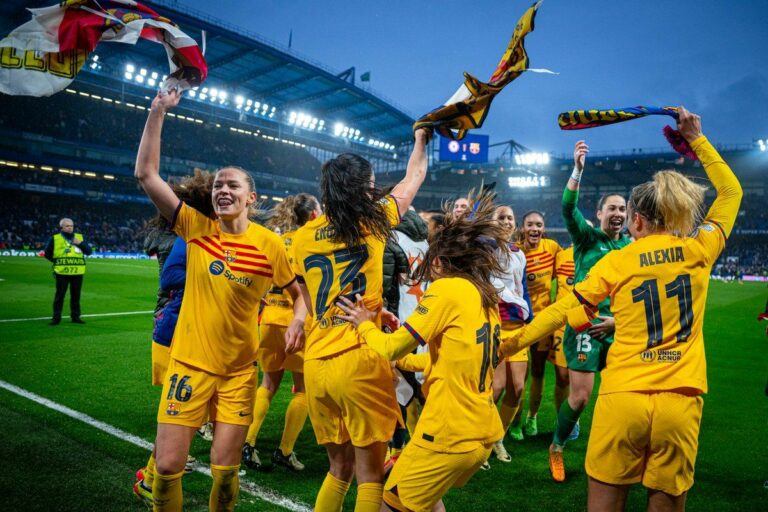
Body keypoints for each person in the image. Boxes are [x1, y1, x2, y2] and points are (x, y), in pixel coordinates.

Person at [500, 107, 742, 510]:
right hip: (680, 402)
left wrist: (511, 344)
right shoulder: (700, 249)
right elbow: (732, 192)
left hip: (624, 396)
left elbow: (562, 310)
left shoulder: (617, 261)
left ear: (639, 221)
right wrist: (697, 138)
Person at [134, 88, 307, 512]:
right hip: (189, 364)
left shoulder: (270, 245)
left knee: (225, 470)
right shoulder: (196, 229)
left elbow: (299, 294)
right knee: (170, 463)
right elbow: (147, 175)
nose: (221, 190)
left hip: (237, 373)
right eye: (217, 186)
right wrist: (157, 112)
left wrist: (299, 319)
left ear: (252, 198)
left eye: (232, 185)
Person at [336, 191, 507, 512]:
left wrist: (364, 324)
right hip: (483, 434)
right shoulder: (484, 296)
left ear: (439, 261)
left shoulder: (446, 288)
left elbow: (390, 347)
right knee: (427, 501)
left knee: (390, 504)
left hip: (447, 434)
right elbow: (443, 360)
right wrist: (402, 358)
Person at [290, 128, 431, 511]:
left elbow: (307, 297)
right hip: (359, 357)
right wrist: (420, 140)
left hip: (318, 362)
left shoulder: (301, 239)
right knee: (371, 475)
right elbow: (414, 176)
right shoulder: (374, 221)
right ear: (364, 188)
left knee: (338, 469)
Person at [547, 140, 631, 482]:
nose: (617, 214)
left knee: (622, 394)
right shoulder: (586, 238)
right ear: (599, 213)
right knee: (580, 398)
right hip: (586, 327)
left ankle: (615, 450)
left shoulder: (631, 247)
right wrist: (578, 170)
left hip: (620, 327)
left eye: (623, 209)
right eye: (611, 208)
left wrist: (618, 322)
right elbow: (568, 209)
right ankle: (556, 447)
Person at [134, 171, 216, 507]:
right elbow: (171, 276)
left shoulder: (204, 232)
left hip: (188, 330)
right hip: (174, 332)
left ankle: (152, 474)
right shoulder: (191, 234)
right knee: (178, 414)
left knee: (183, 414)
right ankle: (150, 477)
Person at [242, 193, 322, 472]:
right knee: (303, 390)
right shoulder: (311, 240)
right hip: (298, 323)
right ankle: (285, 451)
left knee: (268, 385)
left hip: (270, 319)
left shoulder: (276, 240)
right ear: (313, 214)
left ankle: (248, 442)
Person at [488, 204, 532, 465]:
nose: (506, 221)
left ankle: (498, 437)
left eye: (509, 218)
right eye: (500, 217)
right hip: (494, 326)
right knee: (496, 388)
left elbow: (522, 288)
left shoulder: (519, 254)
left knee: (517, 389)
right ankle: (482, 439)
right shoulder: (484, 249)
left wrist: (531, 318)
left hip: (517, 326)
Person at [518, 210, 561, 437]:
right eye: (530, 224)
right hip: (519, 322)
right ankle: (514, 420)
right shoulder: (514, 250)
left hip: (543, 323)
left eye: (539, 225)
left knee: (537, 371)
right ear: (522, 227)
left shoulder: (552, 248)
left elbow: (564, 272)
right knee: (519, 375)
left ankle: (531, 417)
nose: (535, 229)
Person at [44, 217, 92, 325]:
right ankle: (56, 318)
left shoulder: (80, 237)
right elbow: (47, 254)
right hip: (62, 272)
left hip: (77, 272)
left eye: (72, 226)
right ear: (61, 227)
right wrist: (57, 262)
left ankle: (76, 317)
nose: (70, 228)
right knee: (60, 295)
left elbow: (89, 252)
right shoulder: (55, 238)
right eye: (67, 226)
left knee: (76, 295)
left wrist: (80, 243)